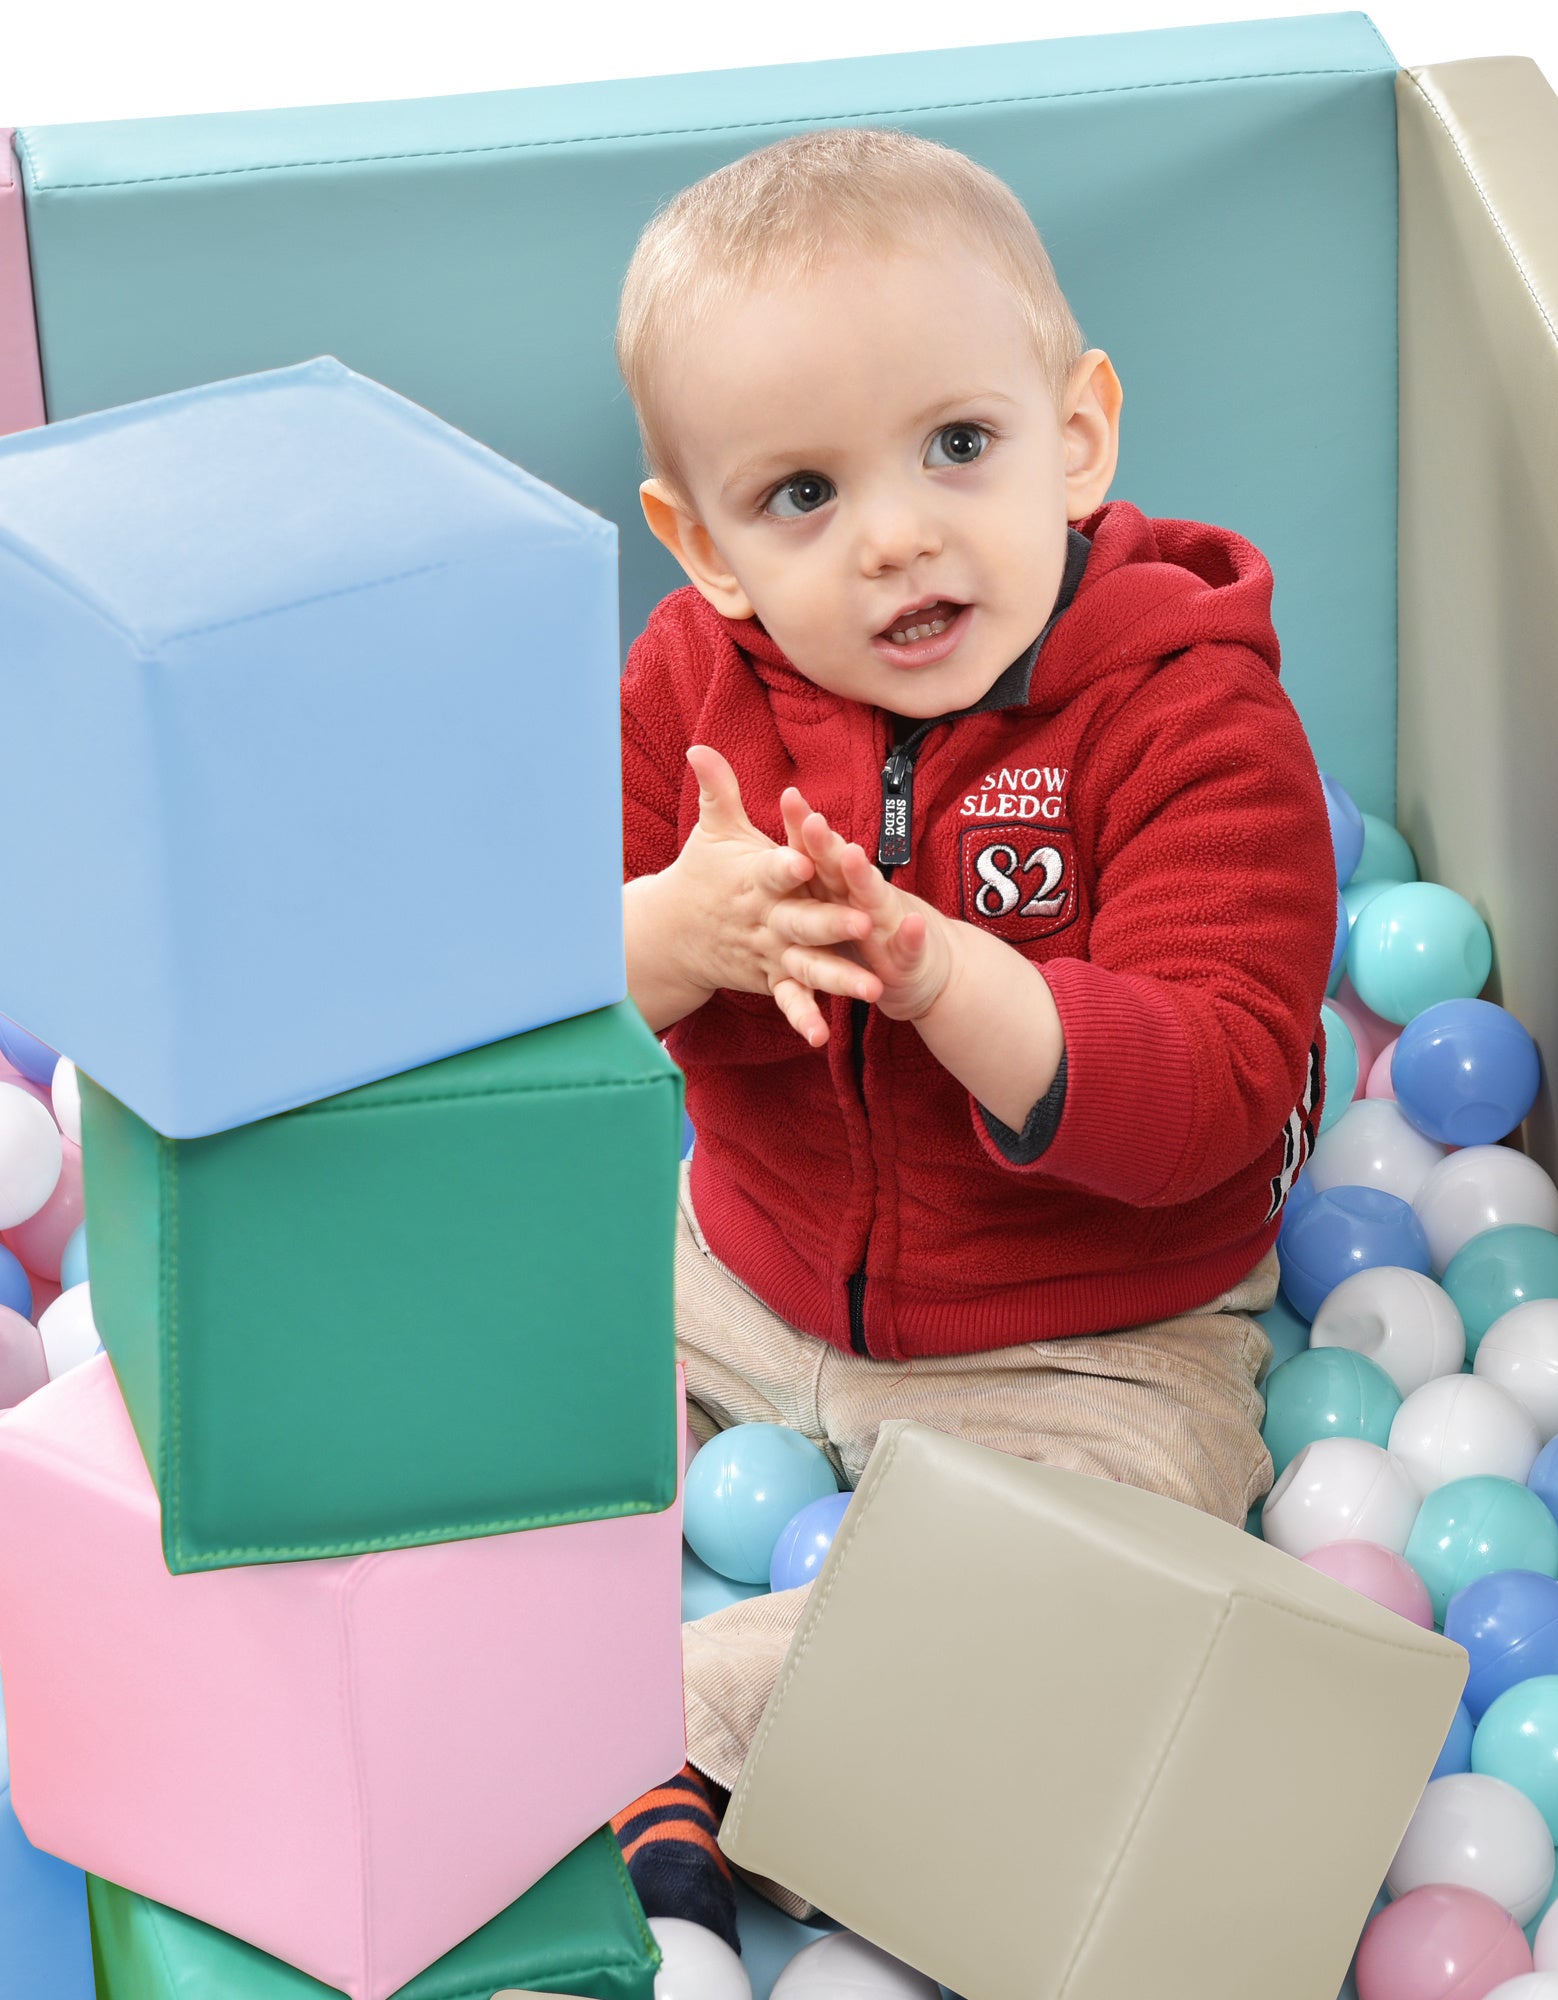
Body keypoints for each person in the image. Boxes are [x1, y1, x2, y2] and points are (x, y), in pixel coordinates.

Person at [608, 125, 1336, 1952]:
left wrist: (953, 982)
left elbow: (1225, 1100)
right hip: (740, 1263)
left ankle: (682, 1736)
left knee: (1126, 1576)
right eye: (801, 496)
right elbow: (527, 1014)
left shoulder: (1194, 721)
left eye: (958, 446)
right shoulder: (688, 696)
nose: (901, 533)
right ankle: (441, 1661)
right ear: (700, 544)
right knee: (467, 1381)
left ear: (1076, 433)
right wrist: (672, 935)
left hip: (1092, 1336)